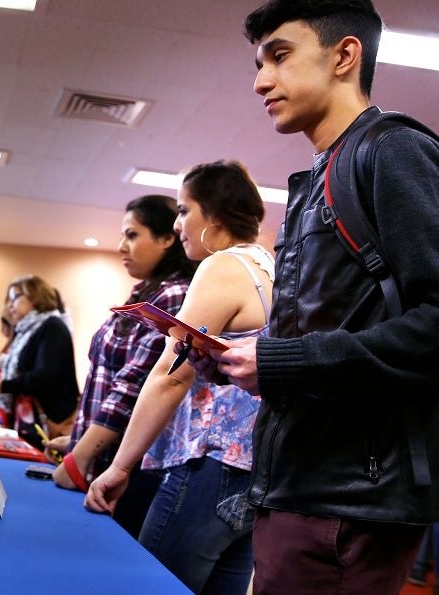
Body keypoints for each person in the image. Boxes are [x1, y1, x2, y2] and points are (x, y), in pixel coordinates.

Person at [191, 1, 439, 592]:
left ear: (344, 55)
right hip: (308, 484)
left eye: (280, 57)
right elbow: (342, 327)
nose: (261, 80)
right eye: (260, 63)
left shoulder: (391, 152)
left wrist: (283, 361)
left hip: (352, 501)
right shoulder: (326, 174)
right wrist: (250, 360)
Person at [86, 161, 273, 594]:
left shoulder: (223, 267)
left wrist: (119, 465)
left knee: (153, 585)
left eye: (185, 210)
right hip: (259, 470)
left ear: (216, 216)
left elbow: (171, 376)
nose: (178, 224)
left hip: (212, 464)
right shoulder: (271, 267)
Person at [44, 194, 193, 541]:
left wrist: (81, 455)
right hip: (103, 452)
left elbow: (132, 386)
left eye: (132, 235)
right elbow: (107, 380)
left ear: (166, 238)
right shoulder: (146, 292)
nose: (122, 246)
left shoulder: (173, 296)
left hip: (127, 468)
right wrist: (78, 436)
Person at [0, 275, 79, 448]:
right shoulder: (27, 329)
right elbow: (25, 363)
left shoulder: (51, 326)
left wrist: (4, 386)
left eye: (15, 298)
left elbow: (44, 377)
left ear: (34, 297)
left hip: (49, 416)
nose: (9, 305)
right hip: (28, 417)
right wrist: (2, 364)